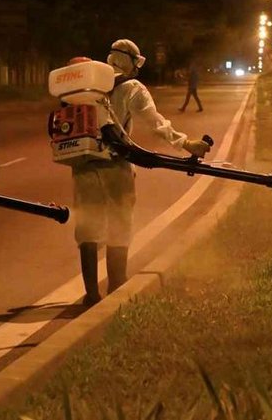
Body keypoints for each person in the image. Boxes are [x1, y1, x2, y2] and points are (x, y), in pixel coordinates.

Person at [73, 39, 210, 305]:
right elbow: (155, 121)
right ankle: (116, 286)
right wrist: (185, 143)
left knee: (87, 228)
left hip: (82, 167)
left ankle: (90, 294)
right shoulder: (132, 87)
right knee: (119, 226)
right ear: (131, 63)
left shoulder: (85, 85)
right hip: (115, 166)